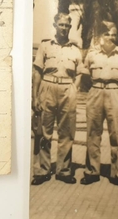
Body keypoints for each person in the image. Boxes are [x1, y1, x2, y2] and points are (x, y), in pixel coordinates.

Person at [31, 13, 83, 185]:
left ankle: (64, 170)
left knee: (66, 133)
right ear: (55, 25)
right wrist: (35, 96)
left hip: (67, 88)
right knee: (43, 132)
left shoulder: (75, 49)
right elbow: (37, 72)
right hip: (47, 86)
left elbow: (80, 73)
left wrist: (74, 89)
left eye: (67, 25)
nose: (64, 28)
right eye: (61, 25)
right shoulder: (46, 46)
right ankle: (42, 170)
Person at [81, 21, 118, 189]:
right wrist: (97, 89)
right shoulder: (92, 54)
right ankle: (91, 171)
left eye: (113, 34)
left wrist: (116, 92)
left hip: (115, 92)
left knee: (117, 134)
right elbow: (86, 77)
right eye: (107, 34)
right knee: (93, 133)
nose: (110, 37)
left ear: (117, 36)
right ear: (101, 36)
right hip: (95, 91)